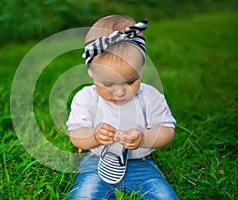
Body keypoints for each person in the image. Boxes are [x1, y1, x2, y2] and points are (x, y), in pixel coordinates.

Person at [65, 15, 179, 200]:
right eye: (108, 84)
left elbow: (166, 130)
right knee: (85, 195)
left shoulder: (150, 97)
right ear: (91, 71)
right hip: (97, 161)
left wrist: (144, 138)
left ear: (141, 69)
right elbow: (76, 135)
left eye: (131, 81)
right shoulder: (85, 98)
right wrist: (93, 136)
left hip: (141, 163)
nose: (119, 92)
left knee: (163, 196)